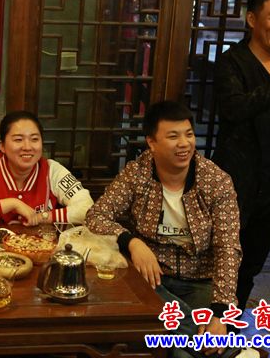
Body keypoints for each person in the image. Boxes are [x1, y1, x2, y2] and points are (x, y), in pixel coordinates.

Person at [86, 101, 243, 358]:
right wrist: (132, 242)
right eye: (173, 136)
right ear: (152, 142)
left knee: (180, 352)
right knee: (184, 349)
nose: (184, 144)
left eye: (189, 134)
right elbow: (96, 215)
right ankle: (233, 353)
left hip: (200, 281)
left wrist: (219, 314)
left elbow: (228, 248)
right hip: (152, 279)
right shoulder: (137, 174)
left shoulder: (216, 181)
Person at [212, 0, 270, 311]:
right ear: (252, 19)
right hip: (235, 185)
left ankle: (230, 325)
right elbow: (235, 109)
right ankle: (211, 324)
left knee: (250, 266)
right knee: (222, 262)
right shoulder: (232, 63)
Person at [0, 110, 93, 226]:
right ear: (2, 146)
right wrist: (13, 204)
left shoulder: (52, 170)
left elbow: (88, 210)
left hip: (42, 247)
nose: (27, 147)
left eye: (34, 139)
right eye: (18, 140)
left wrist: (43, 217)